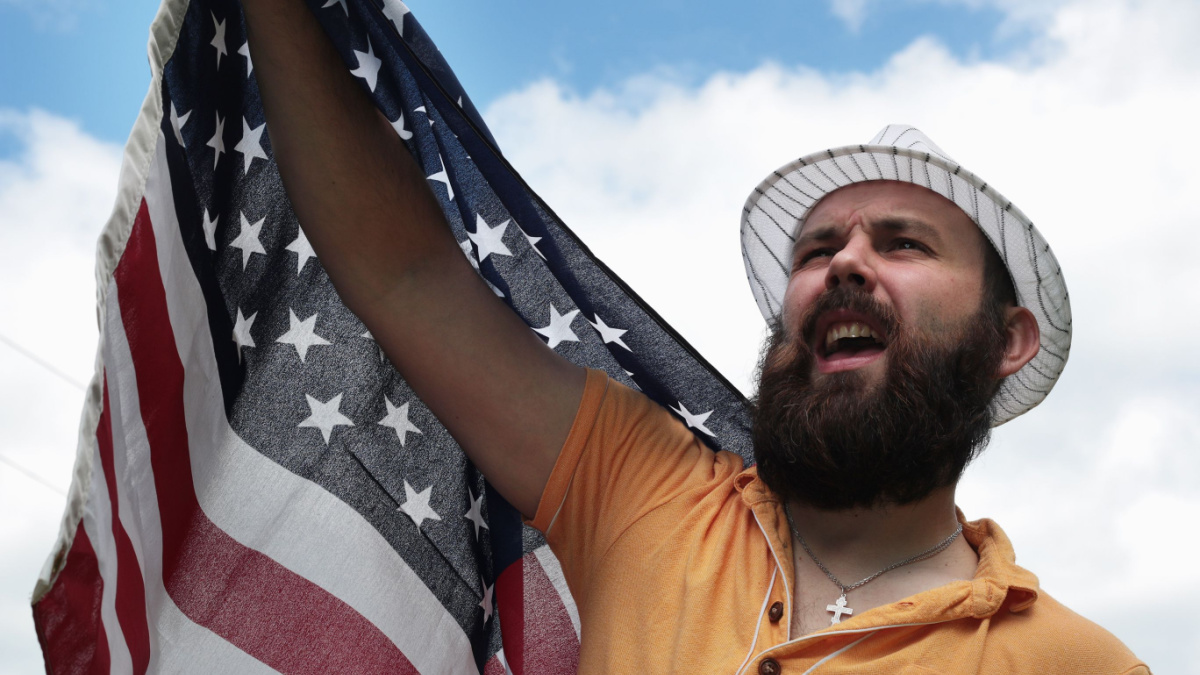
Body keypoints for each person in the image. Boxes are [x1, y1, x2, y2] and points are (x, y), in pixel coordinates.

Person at [242, 2, 1149, 672]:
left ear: (1009, 340)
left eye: (904, 243)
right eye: (820, 248)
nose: (845, 263)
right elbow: (407, 279)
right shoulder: (644, 488)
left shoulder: (1077, 660)